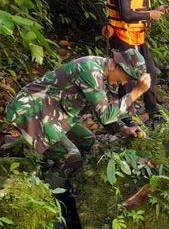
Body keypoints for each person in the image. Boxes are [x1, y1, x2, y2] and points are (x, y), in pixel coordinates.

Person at [6, 48, 149, 228]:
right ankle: (50, 201)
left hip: (54, 113)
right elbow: (105, 115)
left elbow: (101, 110)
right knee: (71, 156)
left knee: (86, 139)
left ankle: (57, 172)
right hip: (31, 110)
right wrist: (136, 92)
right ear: (116, 65)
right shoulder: (91, 70)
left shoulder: (101, 72)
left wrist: (123, 128)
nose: (124, 83)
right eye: (127, 78)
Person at [104, 0, 169, 125]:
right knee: (127, 77)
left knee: (151, 73)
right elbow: (125, 15)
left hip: (138, 37)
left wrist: (156, 11)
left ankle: (152, 109)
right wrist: (150, 15)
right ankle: (126, 116)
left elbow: (137, 11)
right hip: (121, 36)